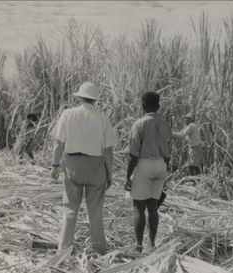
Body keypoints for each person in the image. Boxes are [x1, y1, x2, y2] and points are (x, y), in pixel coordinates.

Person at [51, 82, 117, 255]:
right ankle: (99, 248)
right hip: (96, 167)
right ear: (95, 100)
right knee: (95, 210)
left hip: (73, 166)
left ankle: (64, 249)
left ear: (79, 97)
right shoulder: (102, 118)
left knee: (70, 209)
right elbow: (109, 150)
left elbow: (59, 144)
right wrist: (109, 174)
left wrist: (55, 166)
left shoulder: (68, 114)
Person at [125, 92, 171, 253]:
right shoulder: (164, 124)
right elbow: (167, 151)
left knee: (138, 207)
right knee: (153, 208)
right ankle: (152, 244)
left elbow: (133, 154)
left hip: (145, 164)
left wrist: (128, 177)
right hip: (161, 164)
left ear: (143, 106)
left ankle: (138, 245)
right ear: (158, 106)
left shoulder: (139, 124)